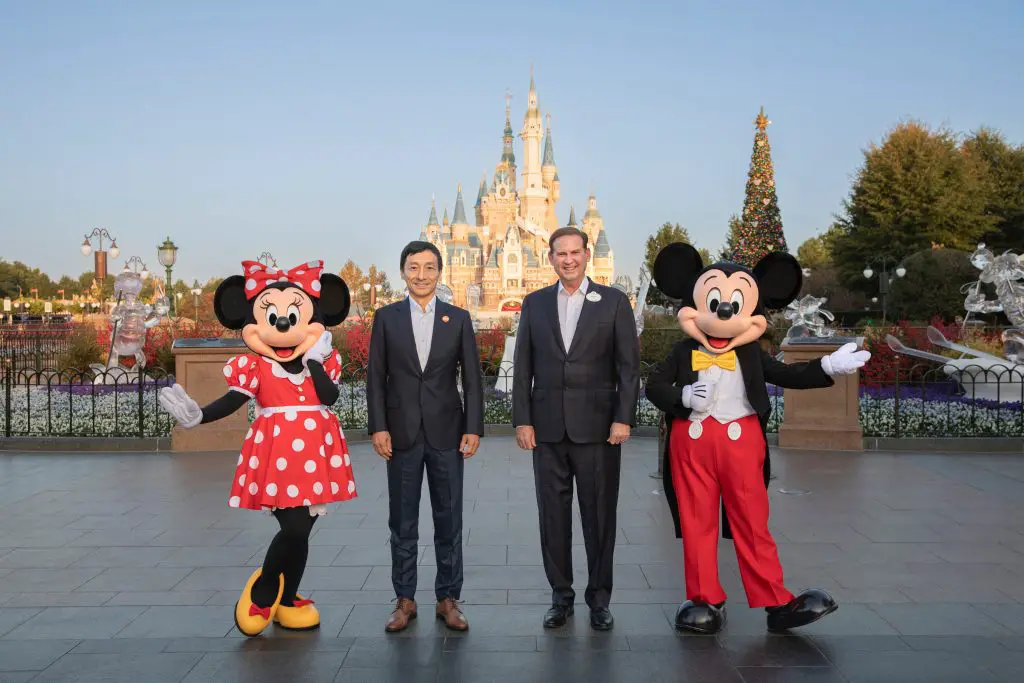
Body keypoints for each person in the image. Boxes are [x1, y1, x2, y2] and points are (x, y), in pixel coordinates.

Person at [644, 243, 869, 634]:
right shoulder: (683, 351)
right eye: (713, 301)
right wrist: (681, 396)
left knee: (752, 521)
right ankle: (704, 598)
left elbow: (788, 376)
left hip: (740, 444)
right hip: (691, 445)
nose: (723, 313)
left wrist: (828, 365)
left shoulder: (750, 353)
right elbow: (654, 385)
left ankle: (775, 600)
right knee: (697, 523)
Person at [158, 258, 356, 637]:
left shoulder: (325, 361)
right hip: (278, 454)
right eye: (273, 317)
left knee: (304, 528)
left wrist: (314, 361)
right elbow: (234, 399)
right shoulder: (256, 367)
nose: (283, 324)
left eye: (294, 315)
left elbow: (329, 397)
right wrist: (199, 415)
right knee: (294, 527)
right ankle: (265, 589)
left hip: (316, 452)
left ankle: (288, 598)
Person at [512, 226, 640, 631]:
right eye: (560, 253)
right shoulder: (534, 304)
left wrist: (623, 417)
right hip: (547, 429)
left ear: (587, 255)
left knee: (599, 517)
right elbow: (523, 367)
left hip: (599, 430)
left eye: (574, 252)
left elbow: (628, 367)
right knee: (552, 517)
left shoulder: (614, 303)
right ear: (550, 258)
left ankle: (599, 599)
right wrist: (523, 419)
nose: (568, 259)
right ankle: (560, 597)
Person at [366, 240, 484, 633]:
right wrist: (378, 426)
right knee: (402, 521)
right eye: (413, 267)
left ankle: (448, 599)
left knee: (449, 519)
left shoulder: (459, 318)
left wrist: (473, 427)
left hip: (447, 433)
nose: (421, 275)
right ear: (402, 272)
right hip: (399, 435)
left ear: (439, 272)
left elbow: (472, 378)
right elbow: (376, 379)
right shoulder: (386, 318)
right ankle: (405, 599)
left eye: (429, 267)